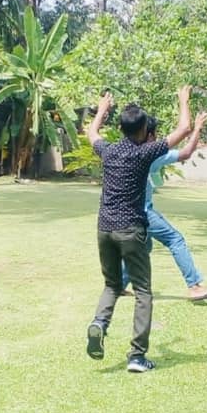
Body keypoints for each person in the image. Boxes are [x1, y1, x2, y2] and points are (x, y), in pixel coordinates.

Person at [84, 86, 193, 373]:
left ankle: (99, 323)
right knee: (143, 291)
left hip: (104, 229)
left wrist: (102, 110)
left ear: (120, 128)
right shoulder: (145, 152)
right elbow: (184, 128)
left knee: (112, 285)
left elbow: (92, 133)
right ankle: (137, 356)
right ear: (145, 129)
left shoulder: (108, 151)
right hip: (131, 229)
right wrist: (183, 100)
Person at [120, 112, 207, 301]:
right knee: (175, 239)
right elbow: (186, 151)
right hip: (143, 213)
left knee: (143, 247)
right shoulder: (151, 155)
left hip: (126, 213)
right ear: (149, 135)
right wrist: (197, 128)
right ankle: (194, 286)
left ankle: (118, 285)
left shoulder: (123, 153)